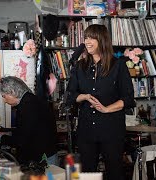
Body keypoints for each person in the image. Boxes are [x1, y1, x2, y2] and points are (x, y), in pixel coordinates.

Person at [66, 24, 135, 180]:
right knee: (87, 173)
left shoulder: (118, 65)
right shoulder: (79, 67)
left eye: (91, 38)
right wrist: (84, 96)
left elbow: (128, 98)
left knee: (114, 171)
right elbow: (70, 95)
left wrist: (107, 109)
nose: (87, 42)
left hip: (111, 128)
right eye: (86, 38)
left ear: (102, 40)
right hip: (86, 129)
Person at [0, 76, 58, 166]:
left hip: (43, 158)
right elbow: (25, 130)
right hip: (43, 154)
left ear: (12, 92)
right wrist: (3, 133)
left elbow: (22, 139)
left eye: (4, 96)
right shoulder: (30, 100)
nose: (4, 101)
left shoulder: (28, 106)